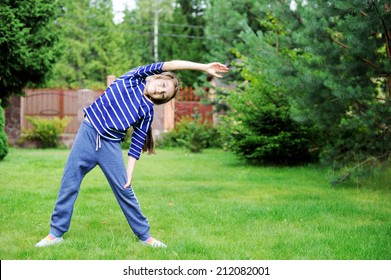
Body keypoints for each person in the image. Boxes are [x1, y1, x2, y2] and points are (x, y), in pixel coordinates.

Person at [35, 60, 229, 248]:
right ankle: (56, 233)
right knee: (69, 183)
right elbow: (169, 64)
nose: (159, 91)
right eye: (161, 85)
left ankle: (145, 236)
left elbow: (137, 142)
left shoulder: (147, 109)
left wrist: (129, 172)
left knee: (125, 190)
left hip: (110, 146)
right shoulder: (133, 78)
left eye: (163, 94)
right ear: (154, 77)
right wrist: (203, 67)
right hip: (87, 133)